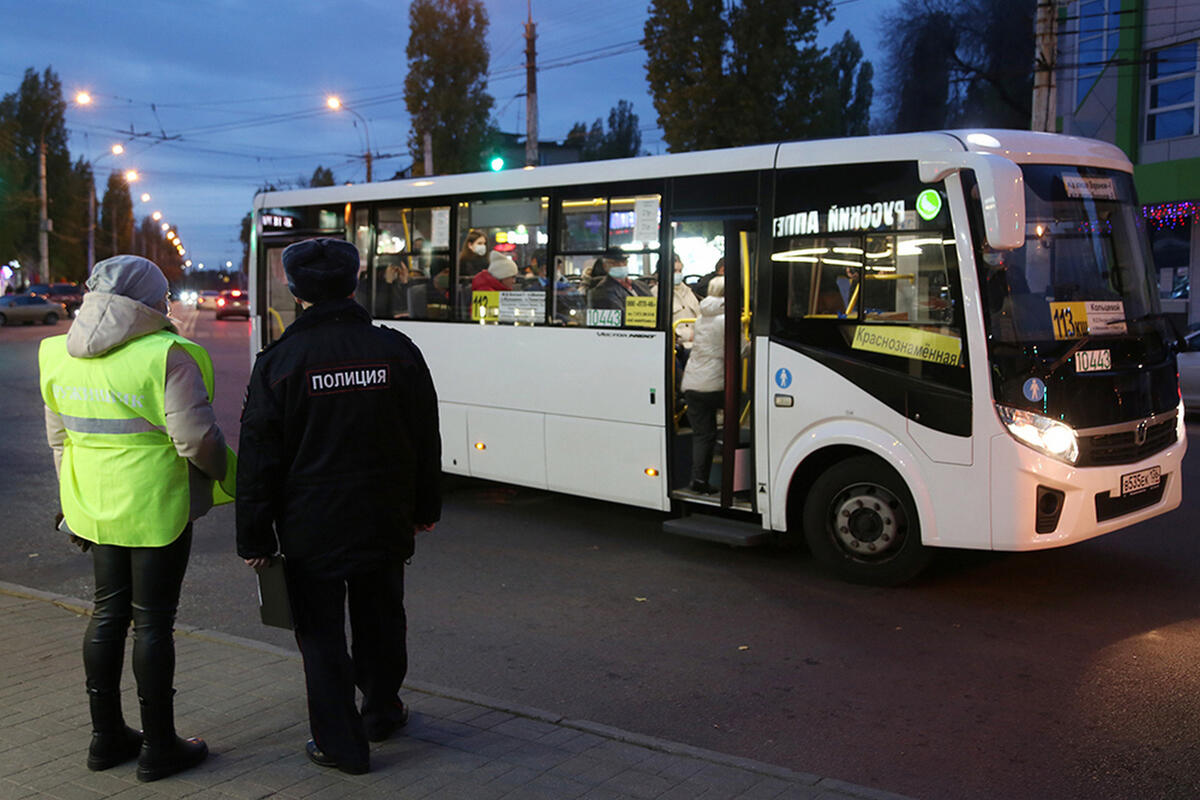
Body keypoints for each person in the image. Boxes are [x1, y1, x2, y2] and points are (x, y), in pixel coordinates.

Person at [236, 237, 441, 776]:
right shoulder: (397, 350)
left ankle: (341, 744)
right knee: (381, 618)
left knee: (321, 635)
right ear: (354, 283)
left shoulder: (279, 363)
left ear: (295, 291)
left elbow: (259, 459)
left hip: (310, 526)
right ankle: (381, 711)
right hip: (383, 515)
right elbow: (426, 437)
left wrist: (255, 537)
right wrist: (425, 506)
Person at [39, 255, 230, 782]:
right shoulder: (167, 353)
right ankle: (160, 745)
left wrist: (71, 498)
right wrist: (221, 476)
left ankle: (106, 738)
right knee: (152, 621)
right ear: (151, 301)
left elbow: (60, 438)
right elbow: (196, 439)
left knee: (107, 614)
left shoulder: (55, 351)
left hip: (91, 505)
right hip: (155, 506)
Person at [680, 276, 742, 494]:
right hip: (716, 385)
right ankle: (736, 479)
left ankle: (698, 480)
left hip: (693, 384)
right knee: (740, 421)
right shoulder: (728, 319)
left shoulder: (701, 317)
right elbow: (739, 349)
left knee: (703, 435)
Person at [588, 248, 653, 322]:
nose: (621, 265)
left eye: (624, 261)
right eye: (614, 263)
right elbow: (621, 319)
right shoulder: (601, 292)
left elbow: (655, 308)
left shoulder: (641, 285)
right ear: (605, 266)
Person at [671, 253, 701, 348]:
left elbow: (699, 315)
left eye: (680, 271)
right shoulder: (657, 293)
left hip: (697, 341)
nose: (678, 274)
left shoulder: (688, 291)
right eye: (675, 271)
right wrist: (686, 335)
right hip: (677, 344)